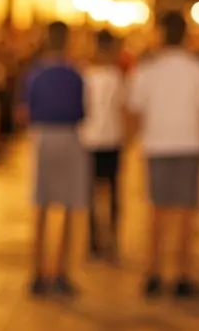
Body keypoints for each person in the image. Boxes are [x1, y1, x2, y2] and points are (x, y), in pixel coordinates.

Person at [127, 11, 199, 298]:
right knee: (186, 211)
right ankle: (182, 273)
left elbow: (135, 109)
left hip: (158, 145)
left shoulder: (147, 70)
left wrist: (137, 139)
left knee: (157, 210)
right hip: (189, 144)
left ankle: (153, 271)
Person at [20, 21, 88, 297]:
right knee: (69, 205)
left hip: (43, 137)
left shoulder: (34, 75)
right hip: (68, 136)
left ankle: (37, 272)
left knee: (42, 205)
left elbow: (24, 111)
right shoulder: (74, 75)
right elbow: (83, 110)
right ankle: (60, 272)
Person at [79, 29, 126, 261]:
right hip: (110, 139)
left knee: (92, 192)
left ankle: (94, 241)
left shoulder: (87, 76)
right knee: (112, 191)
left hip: (91, 140)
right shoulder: (117, 77)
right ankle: (110, 239)